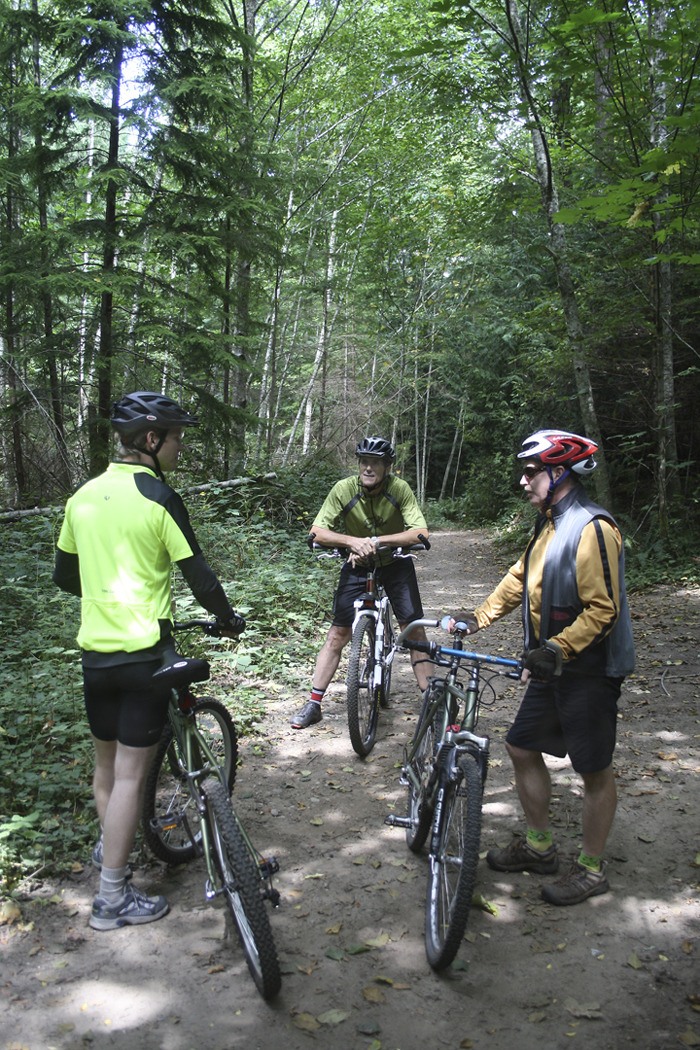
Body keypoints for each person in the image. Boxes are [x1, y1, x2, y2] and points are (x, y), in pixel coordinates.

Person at [53, 391, 246, 931]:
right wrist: (228, 618)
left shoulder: (81, 498)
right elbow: (199, 577)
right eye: (177, 438)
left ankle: (110, 851)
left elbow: (65, 576)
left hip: (95, 658)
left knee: (106, 769)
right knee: (132, 777)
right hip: (144, 657)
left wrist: (107, 596)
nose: (180, 447)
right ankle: (111, 899)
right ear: (152, 439)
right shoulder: (159, 497)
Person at [451, 429, 635, 905]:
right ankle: (539, 847)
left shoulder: (593, 527)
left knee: (593, 769)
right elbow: (521, 577)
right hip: (553, 665)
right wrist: (479, 617)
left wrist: (556, 648)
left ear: (561, 473)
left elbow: (604, 608)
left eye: (531, 472)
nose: (523, 481)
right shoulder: (549, 523)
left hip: (589, 669)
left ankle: (591, 869)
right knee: (521, 746)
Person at [291, 436, 431, 729]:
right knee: (337, 634)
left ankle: (431, 702)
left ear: (387, 467)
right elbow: (317, 531)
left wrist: (377, 541)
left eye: (375, 463)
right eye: (364, 462)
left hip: (395, 562)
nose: (368, 468)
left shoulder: (399, 489)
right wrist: (352, 542)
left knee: (414, 631)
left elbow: (420, 532)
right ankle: (314, 703)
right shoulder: (343, 489)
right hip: (356, 564)